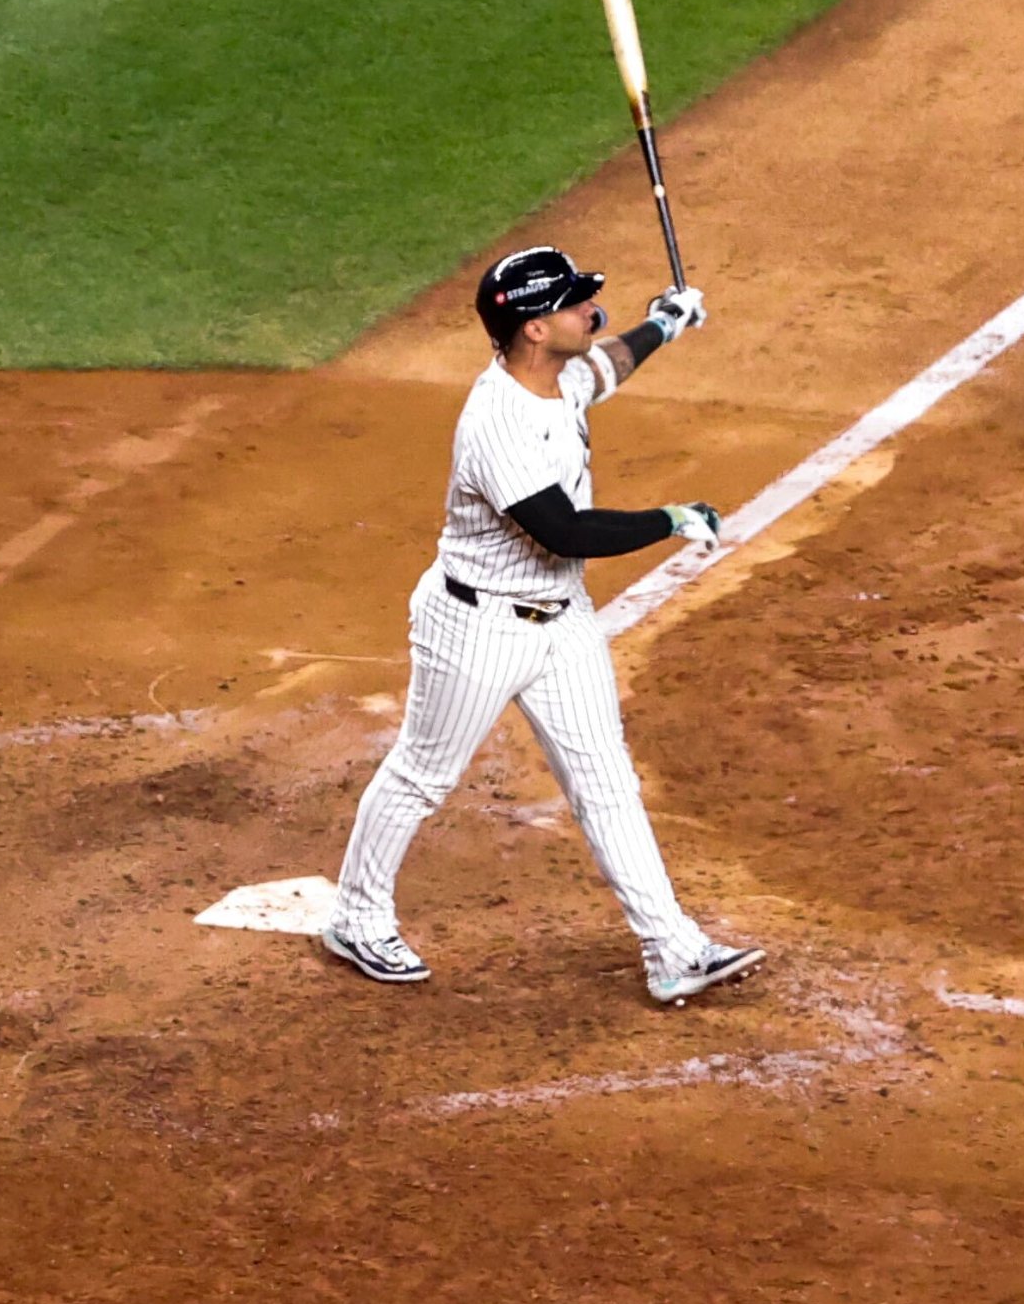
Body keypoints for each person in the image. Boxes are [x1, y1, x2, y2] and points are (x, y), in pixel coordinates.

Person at [323, 244, 767, 1005]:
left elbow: (609, 365)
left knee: (606, 781)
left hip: (562, 624)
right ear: (532, 328)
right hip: (478, 627)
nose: (589, 310)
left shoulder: (558, 377)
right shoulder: (498, 420)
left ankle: (674, 948)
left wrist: (663, 323)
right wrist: (668, 518)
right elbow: (562, 530)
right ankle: (357, 918)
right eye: (571, 302)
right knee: (423, 773)